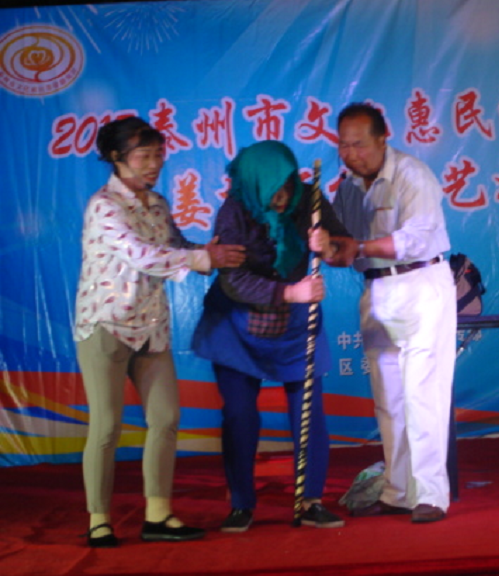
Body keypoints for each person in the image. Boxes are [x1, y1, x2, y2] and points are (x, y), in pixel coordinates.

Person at [75, 116, 246, 548]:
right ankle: (99, 519)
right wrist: (201, 260)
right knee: (107, 426)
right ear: (116, 157)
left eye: (158, 155)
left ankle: (157, 515)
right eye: (144, 156)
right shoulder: (104, 206)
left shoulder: (156, 203)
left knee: (166, 418)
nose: (154, 164)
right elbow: (142, 255)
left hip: (151, 326)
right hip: (106, 324)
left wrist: (209, 251)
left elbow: (174, 247)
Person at [191, 140, 351, 532]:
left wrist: (328, 245)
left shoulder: (309, 198)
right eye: (273, 189)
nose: (281, 197)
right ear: (254, 185)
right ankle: (241, 503)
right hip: (237, 322)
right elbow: (234, 280)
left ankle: (310, 500)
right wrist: (290, 292)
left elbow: (345, 250)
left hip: (295, 323)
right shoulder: (235, 210)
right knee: (240, 414)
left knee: (308, 412)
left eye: (287, 186)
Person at [324, 102, 457, 523]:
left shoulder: (411, 175)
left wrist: (359, 247)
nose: (351, 154)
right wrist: (327, 247)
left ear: (384, 139)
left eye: (359, 144)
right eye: (344, 146)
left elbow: (416, 238)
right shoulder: (347, 188)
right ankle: (399, 491)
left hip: (420, 285)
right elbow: (344, 248)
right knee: (389, 400)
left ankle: (432, 494)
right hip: (377, 290)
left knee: (423, 395)